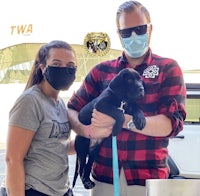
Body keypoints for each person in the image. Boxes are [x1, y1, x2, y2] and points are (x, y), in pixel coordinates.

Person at [67, 1, 187, 196]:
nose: (133, 36)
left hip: (148, 178)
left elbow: (172, 124)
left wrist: (122, 121)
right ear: (119, 35)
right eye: (126, 32)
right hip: (103, 178)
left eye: (139, 29)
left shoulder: (168, 68)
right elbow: (72, 109)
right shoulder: (101, 71)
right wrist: (88, 130)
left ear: (150, 29)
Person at [1, 40, 77, 196]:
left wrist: (91, 140)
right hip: (34, 189)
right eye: (57, 64)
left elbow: (55, 145)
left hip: (60, 190)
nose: (64, 70)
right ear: (43, 67)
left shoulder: (59, 103)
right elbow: (12, 159)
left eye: (70, 66)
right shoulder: (30, 101)